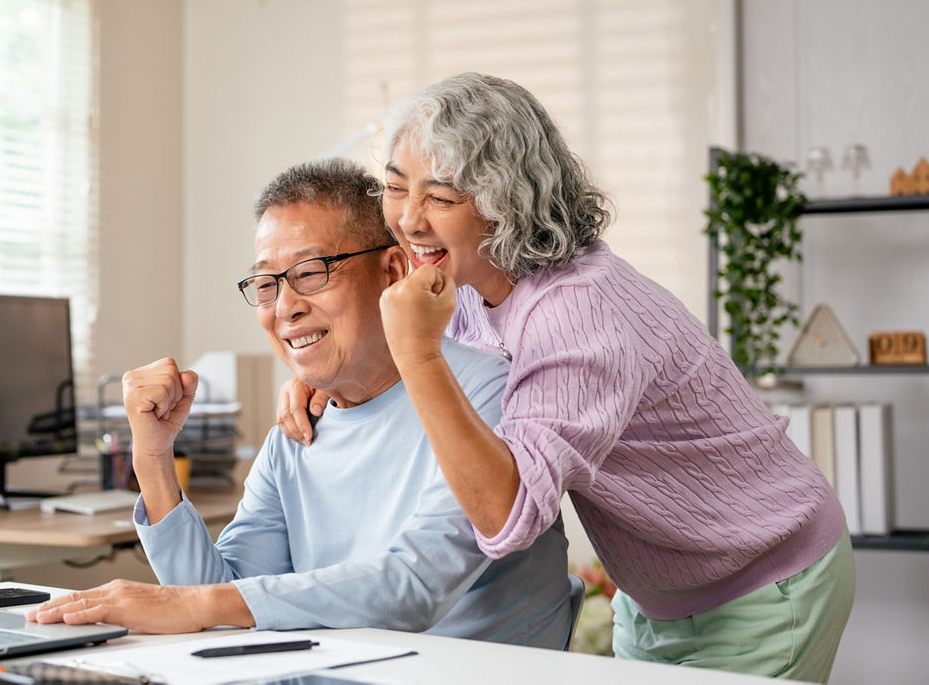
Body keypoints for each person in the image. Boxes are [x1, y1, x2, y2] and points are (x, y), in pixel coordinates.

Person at [276, 73, 855, 681]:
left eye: (441, 198)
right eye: (396, 188)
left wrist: (416, 355)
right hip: (654, 595)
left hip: (761, 582)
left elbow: (508, 517)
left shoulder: (576, 310)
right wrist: (337, 375)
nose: (410, 220)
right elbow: (409, 374)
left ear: (508, 202)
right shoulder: (465, 284)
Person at [29, 158, 572, 647]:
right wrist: (151, 458)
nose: (284, 307)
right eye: (266, 284)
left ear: (392, 271)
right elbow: (218, 601)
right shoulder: (297, 430)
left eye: (311, 273)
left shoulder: (487, 391)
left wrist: (196, 605)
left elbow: (415, 585)